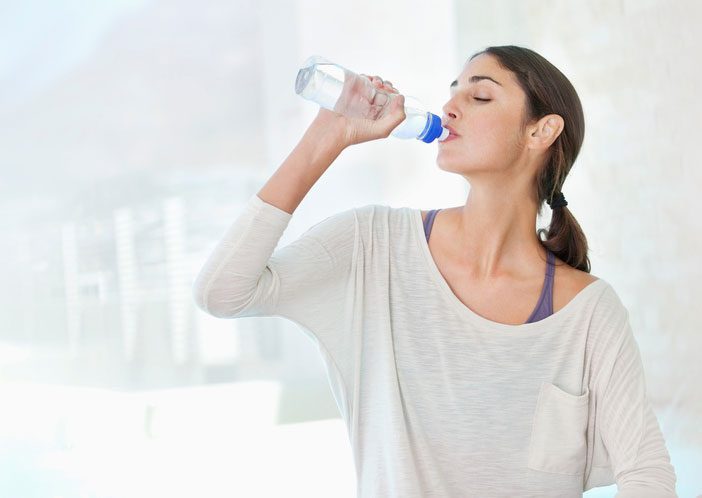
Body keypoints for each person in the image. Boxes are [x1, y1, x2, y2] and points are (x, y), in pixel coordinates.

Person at [192, 45, 678, 497]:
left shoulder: (588, 313)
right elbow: (222, 292)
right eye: (452, 93)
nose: (450, 107)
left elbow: (647, 473)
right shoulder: (373, 245)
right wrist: (328, 136)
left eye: (480, 94)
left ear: (540, 131)